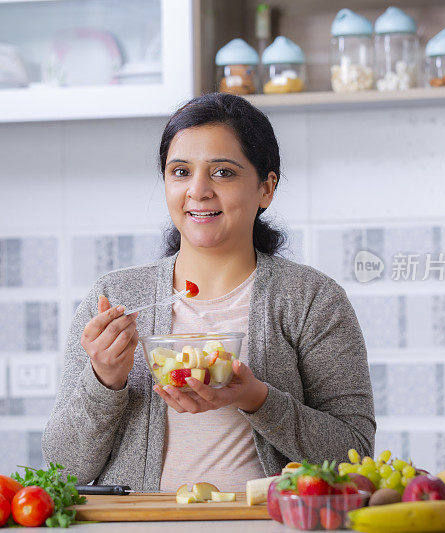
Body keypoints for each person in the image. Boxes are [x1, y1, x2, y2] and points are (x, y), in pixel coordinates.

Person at [42, 93, 375, 492]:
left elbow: (356, 455)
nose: (198, 191)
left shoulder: (311, 300)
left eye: (223, 173)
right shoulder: (115, 297)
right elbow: (63, 471)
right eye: (180, 172)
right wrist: (105, 379)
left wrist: (257, 398)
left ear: (266, 189)